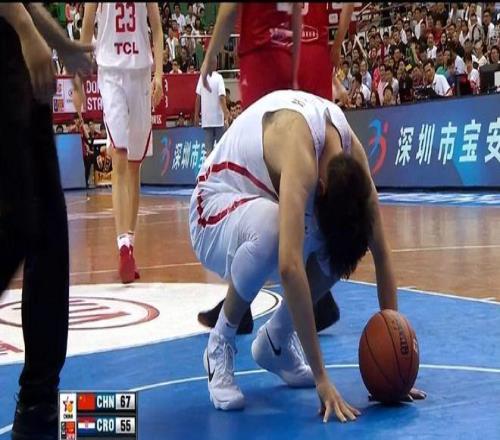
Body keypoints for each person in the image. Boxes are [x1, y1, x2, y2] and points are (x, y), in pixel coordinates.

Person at [189, 89, 427, 420]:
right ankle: (220, 341)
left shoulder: (352, 158)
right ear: (322, 187)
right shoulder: (300, 158)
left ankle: (276, 342)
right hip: (211, 208)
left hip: (254, 204)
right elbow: (289, 267)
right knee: (274, 232)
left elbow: (382, 254)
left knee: (339, 246)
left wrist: (395, 348)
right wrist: (322, 379)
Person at [196, 1, 355, 335]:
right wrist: (334, 46)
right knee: (311, 181)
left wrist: (210, 57)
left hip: (266, 49)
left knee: (260, 178)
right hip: (311, 50)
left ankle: (240, 304)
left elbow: (229, 9)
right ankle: (318, 293)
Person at [0, 3, 92, 439]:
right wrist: (24, 27)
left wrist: (59, 43)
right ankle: (38, 397)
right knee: (18, 225)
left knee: (49, 232)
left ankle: (39, 402)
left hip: (17, 52)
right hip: (8, 46)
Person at [81, 2, 164, 284]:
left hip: (140, 72)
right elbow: (86, 27)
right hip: (111, 73)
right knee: (119, 154)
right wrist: (79, 80)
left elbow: (157, 28)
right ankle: (123, 246)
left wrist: (159, 74)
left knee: (134, 164)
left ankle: (130, 240)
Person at [193, 58, 228, 154]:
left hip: (207, 120)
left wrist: (196, 115)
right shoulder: (219, 78)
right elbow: (221, 97)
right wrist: (226, 114)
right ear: (216, 64)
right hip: (218, 121)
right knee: (221, 151)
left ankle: (209, 164)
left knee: (209, 151)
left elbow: (198, 98)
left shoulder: (202, 77)